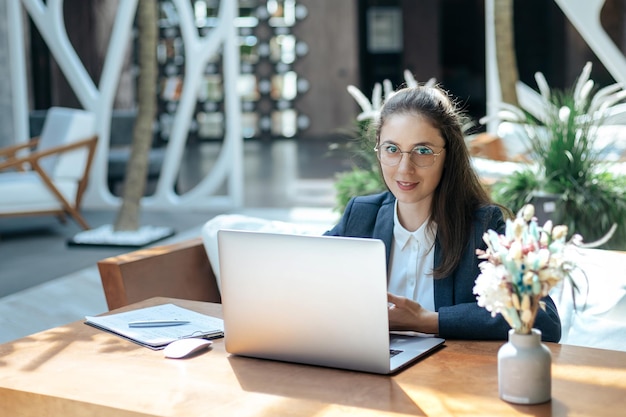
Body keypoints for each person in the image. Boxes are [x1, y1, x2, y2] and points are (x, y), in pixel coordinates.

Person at [324, 85, 562, 342]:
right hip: (373, 370)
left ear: (449, 156)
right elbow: (305, 284)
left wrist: (428, 321)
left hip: (450, 375)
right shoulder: (360, 216)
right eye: (392, 149)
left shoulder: (482, 227)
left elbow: (544, 319)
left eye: (423, 151)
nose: (405, 169)